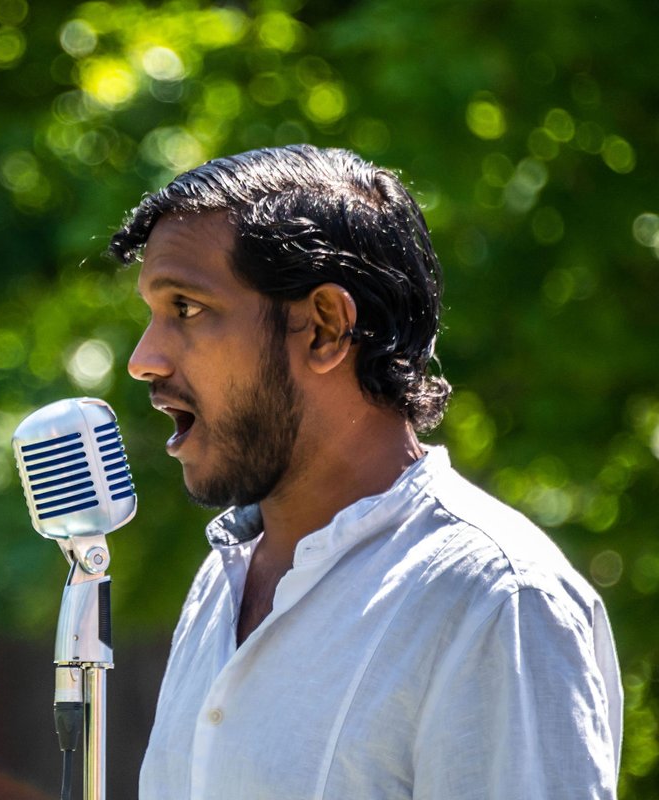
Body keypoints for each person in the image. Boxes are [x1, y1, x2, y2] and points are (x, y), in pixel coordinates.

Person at [110, 144, 622, 799]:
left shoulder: (497, 601)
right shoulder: (221, 582)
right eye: (150, 315)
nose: (143, 359)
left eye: (185, 308)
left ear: (324, 329)